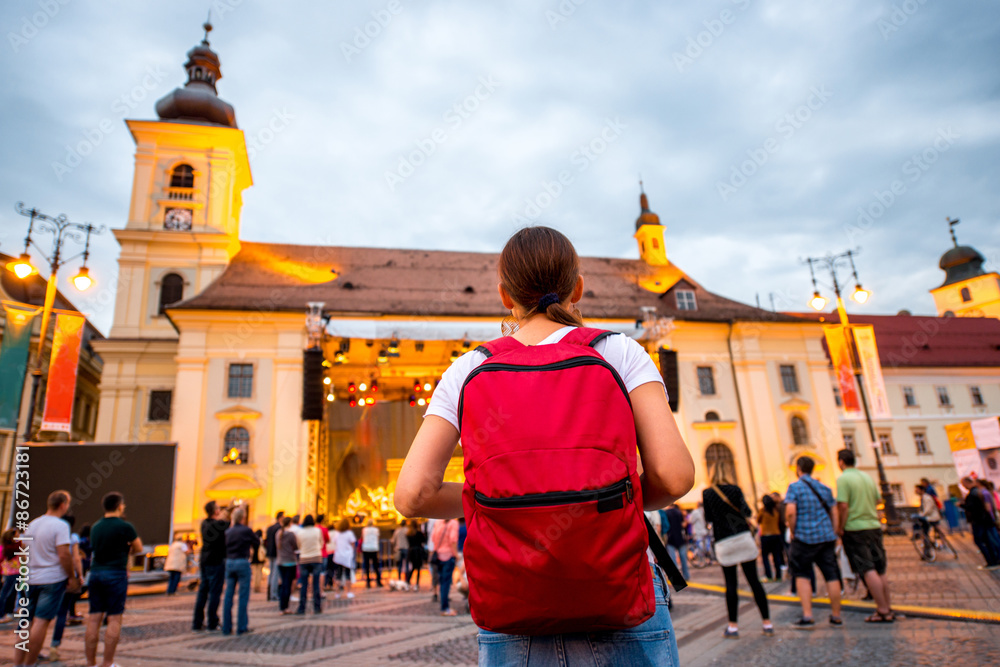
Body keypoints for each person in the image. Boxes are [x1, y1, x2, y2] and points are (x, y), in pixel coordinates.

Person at [393, 227, 694, 664]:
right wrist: (605, 500)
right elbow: (675, 475)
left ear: (503, 295)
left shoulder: (468, 369)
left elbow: (412, 494)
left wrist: (491, 502)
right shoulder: (619, 352)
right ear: (578, 288)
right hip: (617, 587)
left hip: (513, 595)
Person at [703, 466, 771, 638]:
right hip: (741, 536)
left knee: (731, 584)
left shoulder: (707, 493)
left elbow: (709, 518)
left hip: (724, 541)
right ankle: (767, 623)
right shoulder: (735, 489)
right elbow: (747, 511)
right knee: (754, 581)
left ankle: (733, 626)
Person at [14, 490, 80, 667]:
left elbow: (23, 551)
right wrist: (71, 577)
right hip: (51, 579)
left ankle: (18, 663)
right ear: (63, 505)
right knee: (41, 622)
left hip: (31, 578)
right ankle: (30, 663)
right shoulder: (60, 526)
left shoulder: (33, 524)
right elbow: (64, 554)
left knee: (25, 623)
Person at [834, 449, 893, 622]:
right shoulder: (867, 477)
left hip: (855, 528)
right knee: (880, 569)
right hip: (873, 526)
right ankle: (888, 608)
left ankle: (881, 610)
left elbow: (843, 506)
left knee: (867, 569)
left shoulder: (844, 478)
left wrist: (840, 527)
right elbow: (877, 500)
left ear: (841, 462)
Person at [85, 491, 142, 667]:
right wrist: (127, 550)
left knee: (94, 618)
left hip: (95, 573)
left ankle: (90, 663)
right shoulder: (125, 526)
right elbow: (138, 548)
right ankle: (107, 663)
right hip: (115, 573)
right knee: (114, 618)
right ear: (119, 506)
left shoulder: (96, 526)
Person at [786, 456, 842, 629]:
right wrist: (834, 531)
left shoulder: (795, 487)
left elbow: (790, 512)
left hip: (803, 538)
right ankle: (836, 615)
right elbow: (835, 511)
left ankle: (808, 615)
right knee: (831, 575)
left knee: (802, 575)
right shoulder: (824, 488)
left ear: (799, 469)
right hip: (825, 538)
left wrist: (793, 531)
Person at [48, 514, 84, 662]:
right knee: (62, 613)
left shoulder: (51, 533)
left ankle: (31, 648)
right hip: (66, 577)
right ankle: (54, 647)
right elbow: (75, 558)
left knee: (40, 615)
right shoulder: (72, 537)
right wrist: (79, 575)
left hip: (49, 575)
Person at [192, 501, 230, 631]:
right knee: (214, 592)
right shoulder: (218, 524)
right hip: (216, 560)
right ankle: (212, 622)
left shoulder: (204, 523)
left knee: (203, 591)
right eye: (219, 508)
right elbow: (228, 524)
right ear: (215, 511)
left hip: (204, 559)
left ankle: (197, 623)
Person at [222, 506, 259, 635]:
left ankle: (226, 627)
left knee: (228, 596)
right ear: (243, 518)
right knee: (243, 596)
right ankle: (241, 626)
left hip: (230, 562)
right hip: (242, 562)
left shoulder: (228, 532)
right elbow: (257, 541)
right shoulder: (246, 530)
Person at [961, 477, 1000, 569]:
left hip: (984, 520)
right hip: (986, 520)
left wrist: (992, 518)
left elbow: (988, 507)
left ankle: (993, 560)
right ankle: (994, 560)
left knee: (990, 539)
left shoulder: (980, 493)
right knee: (990, 539)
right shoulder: (981, 492)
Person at [296, 514, 324, 615]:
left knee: (304, 584)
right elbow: (321, 543)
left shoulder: (300, 532)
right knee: (315, 584)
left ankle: (301, 608)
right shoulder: (317, 531)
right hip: (316, 558)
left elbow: (298, 545)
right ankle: (317, 607)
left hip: (304, 559)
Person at [431, 518, 460, 616]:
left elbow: (433, 538)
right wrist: (456, 555)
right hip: (448, 556)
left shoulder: (438, 522)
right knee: (446, 583)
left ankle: (444, 606)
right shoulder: (453, 523)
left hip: (438, 555)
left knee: (442, 581)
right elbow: (453, 540)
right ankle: (445, 608)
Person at [758, 495, 784, 582]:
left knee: (765, 557)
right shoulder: (776, 510)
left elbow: (758, 520)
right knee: (776, 556)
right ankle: (779, 575)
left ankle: (768, 576)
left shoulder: (763, 511)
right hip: (776, 535)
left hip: (766, 536)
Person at [275, 517, 298, 613]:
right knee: (287, 585)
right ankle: (285, 607)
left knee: (283, 583)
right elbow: (296, 546)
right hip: (290, 561)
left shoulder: (278, 534)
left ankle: (281, 606)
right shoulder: (290, 534)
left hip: (281, 561)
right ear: (290, 523)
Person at [330, 518, 356, 599]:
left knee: (338, 575)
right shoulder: (349, 533)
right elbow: (352, 543)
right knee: (348, 575)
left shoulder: (337, 533)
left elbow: (334, 541)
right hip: (347, 557)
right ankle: (348, 592)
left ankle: (337, 593)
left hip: (338, 556)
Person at [665, 504, 690, 581]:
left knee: (673, 559)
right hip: (680, 538)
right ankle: (686, 576)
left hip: (670, 538)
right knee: (683, 559)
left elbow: (665, 526)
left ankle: (675, 578)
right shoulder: (679, 512)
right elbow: (683, 525)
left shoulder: (666, 513)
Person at [263, 511, 284, 602]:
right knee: (275, 574)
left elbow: (266, 540)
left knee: (270, 574)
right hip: (276, 553)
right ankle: (273, 594)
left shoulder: (269, 528)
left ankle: (269, 593)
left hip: (270, 552)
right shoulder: (279, 528)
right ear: (280, 518)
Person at [0, 529, 19, 622]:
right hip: (11, 573)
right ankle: (2, 613)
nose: (18, 537)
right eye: (16, 535)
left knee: (11, 593)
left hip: (10, 573)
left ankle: (8, 612)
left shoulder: (5, 547)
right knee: (6, 593)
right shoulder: (14, 547)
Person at [405, 520, 426, 590]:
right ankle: (416, 584)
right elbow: (423, 540)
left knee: (413, 568)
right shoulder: (418, 533)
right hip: (418, 552)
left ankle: (408, 581)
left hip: (411, 552)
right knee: (418, 568)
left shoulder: (408, 533)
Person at [361, 518, 382, 588]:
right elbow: (378, 538)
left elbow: (363, 538)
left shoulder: (364, 530)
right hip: (374, 548)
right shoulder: (376, 530)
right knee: (376, 565)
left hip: (366, 548)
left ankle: (368, 582)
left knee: (367, 566)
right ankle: (378, 581)